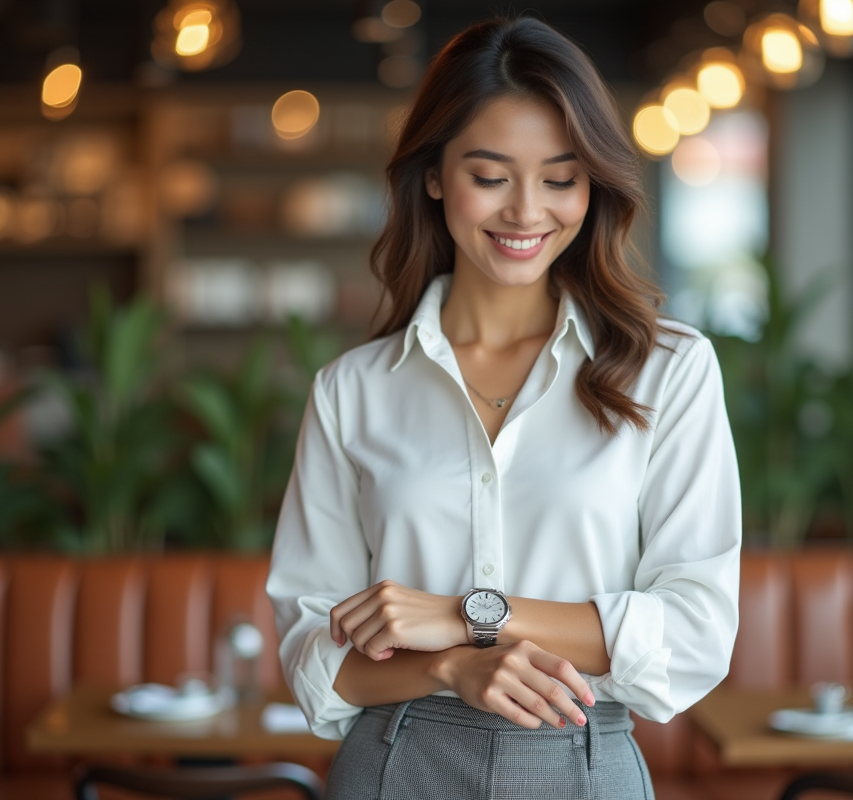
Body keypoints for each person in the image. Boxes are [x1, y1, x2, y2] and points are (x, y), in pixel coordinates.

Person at [266, 15, 741, 799]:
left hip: (584, 756)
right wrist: (452, 665)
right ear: (433, 175)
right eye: (490, 176)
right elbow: (312, 657)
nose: (526, 211)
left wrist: (468, 615)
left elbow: (695, 632)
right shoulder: (353, 390)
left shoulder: (669, 371)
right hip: (396, 760)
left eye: (561, 178)